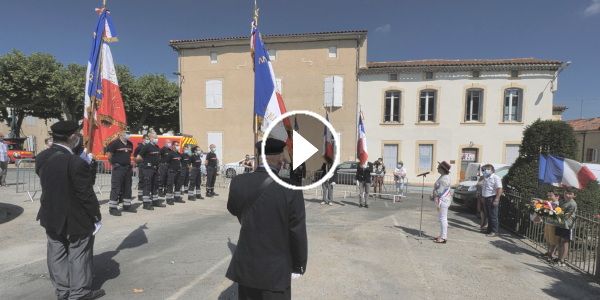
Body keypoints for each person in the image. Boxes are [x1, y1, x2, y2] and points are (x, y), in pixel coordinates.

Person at [226, 138, 307, 299]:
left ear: (258, 157)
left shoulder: (238, 182)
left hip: (247, 264)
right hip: (276, 268)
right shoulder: (291, 188)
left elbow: (233, 209)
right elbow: (296, 231)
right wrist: (298, 265)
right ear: (280, 158)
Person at [35, 120, 105, 300]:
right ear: (72, 137)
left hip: (50, 212)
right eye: (78, 134)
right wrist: (96, 216)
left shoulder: (42, 157)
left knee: (56, 253)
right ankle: (79, 292)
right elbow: (85, 193)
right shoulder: (75, 162)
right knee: (79, 253)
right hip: (74, 215)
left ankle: (63, 291)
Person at [106, 130, 136, 216]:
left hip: (127, 168)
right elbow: (110, 156)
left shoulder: (130, 144)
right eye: (127, 134)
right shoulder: (115, 143)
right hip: (118, 168)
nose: (128, 135)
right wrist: (114, 164)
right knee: (116, 187)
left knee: (127, 187)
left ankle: (127, 206)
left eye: (129, 134)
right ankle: (113, 208)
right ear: (121, 135)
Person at [135, 133, 166, 210]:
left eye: (157, 137)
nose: (157, 139)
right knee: (147, 185)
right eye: (155, 137)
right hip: (148, 169)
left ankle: (155, 201)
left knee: (155, 185)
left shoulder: (157, 147)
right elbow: (138, 157)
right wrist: (146, 161)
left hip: (155, 169)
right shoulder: (146, 147)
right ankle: (146, 203)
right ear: (151, 138)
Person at [555, 187, 578, 267]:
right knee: (558, 240)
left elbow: (567, 216)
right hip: (559, 224)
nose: (567, 195)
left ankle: (562, 259)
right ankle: (558, 257)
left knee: (565, 242)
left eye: (569, 194)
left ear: (574, 195)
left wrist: (558, 213)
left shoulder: (572, 204)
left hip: (567, 225)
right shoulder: (561, 201)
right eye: (565, 193)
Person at [430, 161, 452, 244]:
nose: (437, 168)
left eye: (439, 167)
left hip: (443, 200)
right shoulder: (443, 176)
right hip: (442, 200)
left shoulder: (444, 178)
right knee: (441, 218)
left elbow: (440, 191)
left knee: (443, 219)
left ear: (443, 169)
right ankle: (442, 235)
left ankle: (443, 237)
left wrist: (433, 196)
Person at [482, 164, 503, 237]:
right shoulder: (486, 177)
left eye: (488, 169)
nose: (486, 171)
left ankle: (495, 231)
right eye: (485, 169)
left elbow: (500, 189)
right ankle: (489, 230)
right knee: (488, 215)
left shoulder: (496, 178)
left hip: (492, 198)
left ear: (492, 170)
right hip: (486, 198)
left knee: (493, 216)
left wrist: (496, 199)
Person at [541, 189, 560, 262]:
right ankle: (548, 251)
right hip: (547, 223)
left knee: (553, 240)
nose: (549, 197)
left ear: (557, 196)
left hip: (553, 224)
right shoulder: (549, 203)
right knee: (548, 239)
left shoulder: (557, 204)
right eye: (548, 195)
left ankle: (551, 254)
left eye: (551, 195)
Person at [164, 140, 185, 205]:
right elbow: (167, 162)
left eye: (178, 145)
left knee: (178, 185)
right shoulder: (170, 153)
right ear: (173, 146)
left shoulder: (179, 154)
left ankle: (177, 197)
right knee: (170, 185)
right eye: (176, 145)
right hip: (172, 171)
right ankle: (169, 199)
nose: (178, 146)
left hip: (178, 171)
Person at [133, 135, 148, 201]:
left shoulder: (148, 147)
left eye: (148, 139)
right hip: (141, 165)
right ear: (143, 139)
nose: (148, 140)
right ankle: (140, 195)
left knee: (146, 180)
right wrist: (138, 163)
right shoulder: (139, 148)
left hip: (147, 165)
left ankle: (145, 194)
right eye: (146, 139)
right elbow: (135, 157)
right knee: (141, 180)